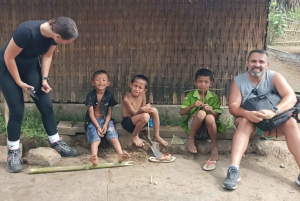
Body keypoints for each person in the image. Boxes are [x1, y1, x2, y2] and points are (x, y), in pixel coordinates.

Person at [0, 17, 79, 173]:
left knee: (46, 105)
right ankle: (13, 151)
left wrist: (44, 79)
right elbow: (8, 57)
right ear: (58, 36)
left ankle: (56, 142)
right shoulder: (26, 31)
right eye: (67, 42)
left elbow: (47, 56)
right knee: (17, 111)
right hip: (7, 69)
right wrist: (19, 82)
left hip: (30, 68)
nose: (67, 44)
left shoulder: (53, 35)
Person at [222, 49, 300, 190]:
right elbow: (233, 107)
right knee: (245, 122)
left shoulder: (275, 77)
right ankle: (233, 170)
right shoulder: (239, 81)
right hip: (248, 123)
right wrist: (248, 114)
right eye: (253, 61)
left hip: (272, 122)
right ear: (247, 63)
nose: (257, 65)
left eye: (261, 61)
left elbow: (291, 97)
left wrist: (273, 111)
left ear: (267, 64)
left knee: (291, 123)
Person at [179, 69, 225, 170]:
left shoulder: (213, 97)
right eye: (200, 82)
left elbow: (217, 116)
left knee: (209, 116)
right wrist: (192, 106)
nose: (203, 85)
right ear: (195, 83)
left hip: (208, 130)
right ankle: (191, 138)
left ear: (210, 84)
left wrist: (211, 110)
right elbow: (181, 113)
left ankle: (214, 147)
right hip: (194, 128)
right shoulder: (191, 95)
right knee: (201, 113)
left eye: (206, 82)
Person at [84, 70, 130, 165]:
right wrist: (97, 126)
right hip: (93, 121)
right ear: (93, 83)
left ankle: (120, 154)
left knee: (113, 137)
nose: (101, 82)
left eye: (104, 80)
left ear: (108, 83)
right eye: (97, 80)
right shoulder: (90, 96)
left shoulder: (109, 95)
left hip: (106, 121)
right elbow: (91, 114)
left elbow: (109, 113)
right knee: (95, 139)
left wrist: (105, 124)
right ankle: (94, 157)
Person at [121, 74, 168, 147]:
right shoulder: (126, 99)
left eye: (140, 88)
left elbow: (143, 108)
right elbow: (133, 113)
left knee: (154, 110)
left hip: (140, 120)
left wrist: (147, 108)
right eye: (135, 86)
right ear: (131, 85)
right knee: (145, 116)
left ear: (144, 90)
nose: (137, 89)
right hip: (128, 122)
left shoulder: (143, 95)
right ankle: (134, 135)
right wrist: (141, 109)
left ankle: (156, 136)